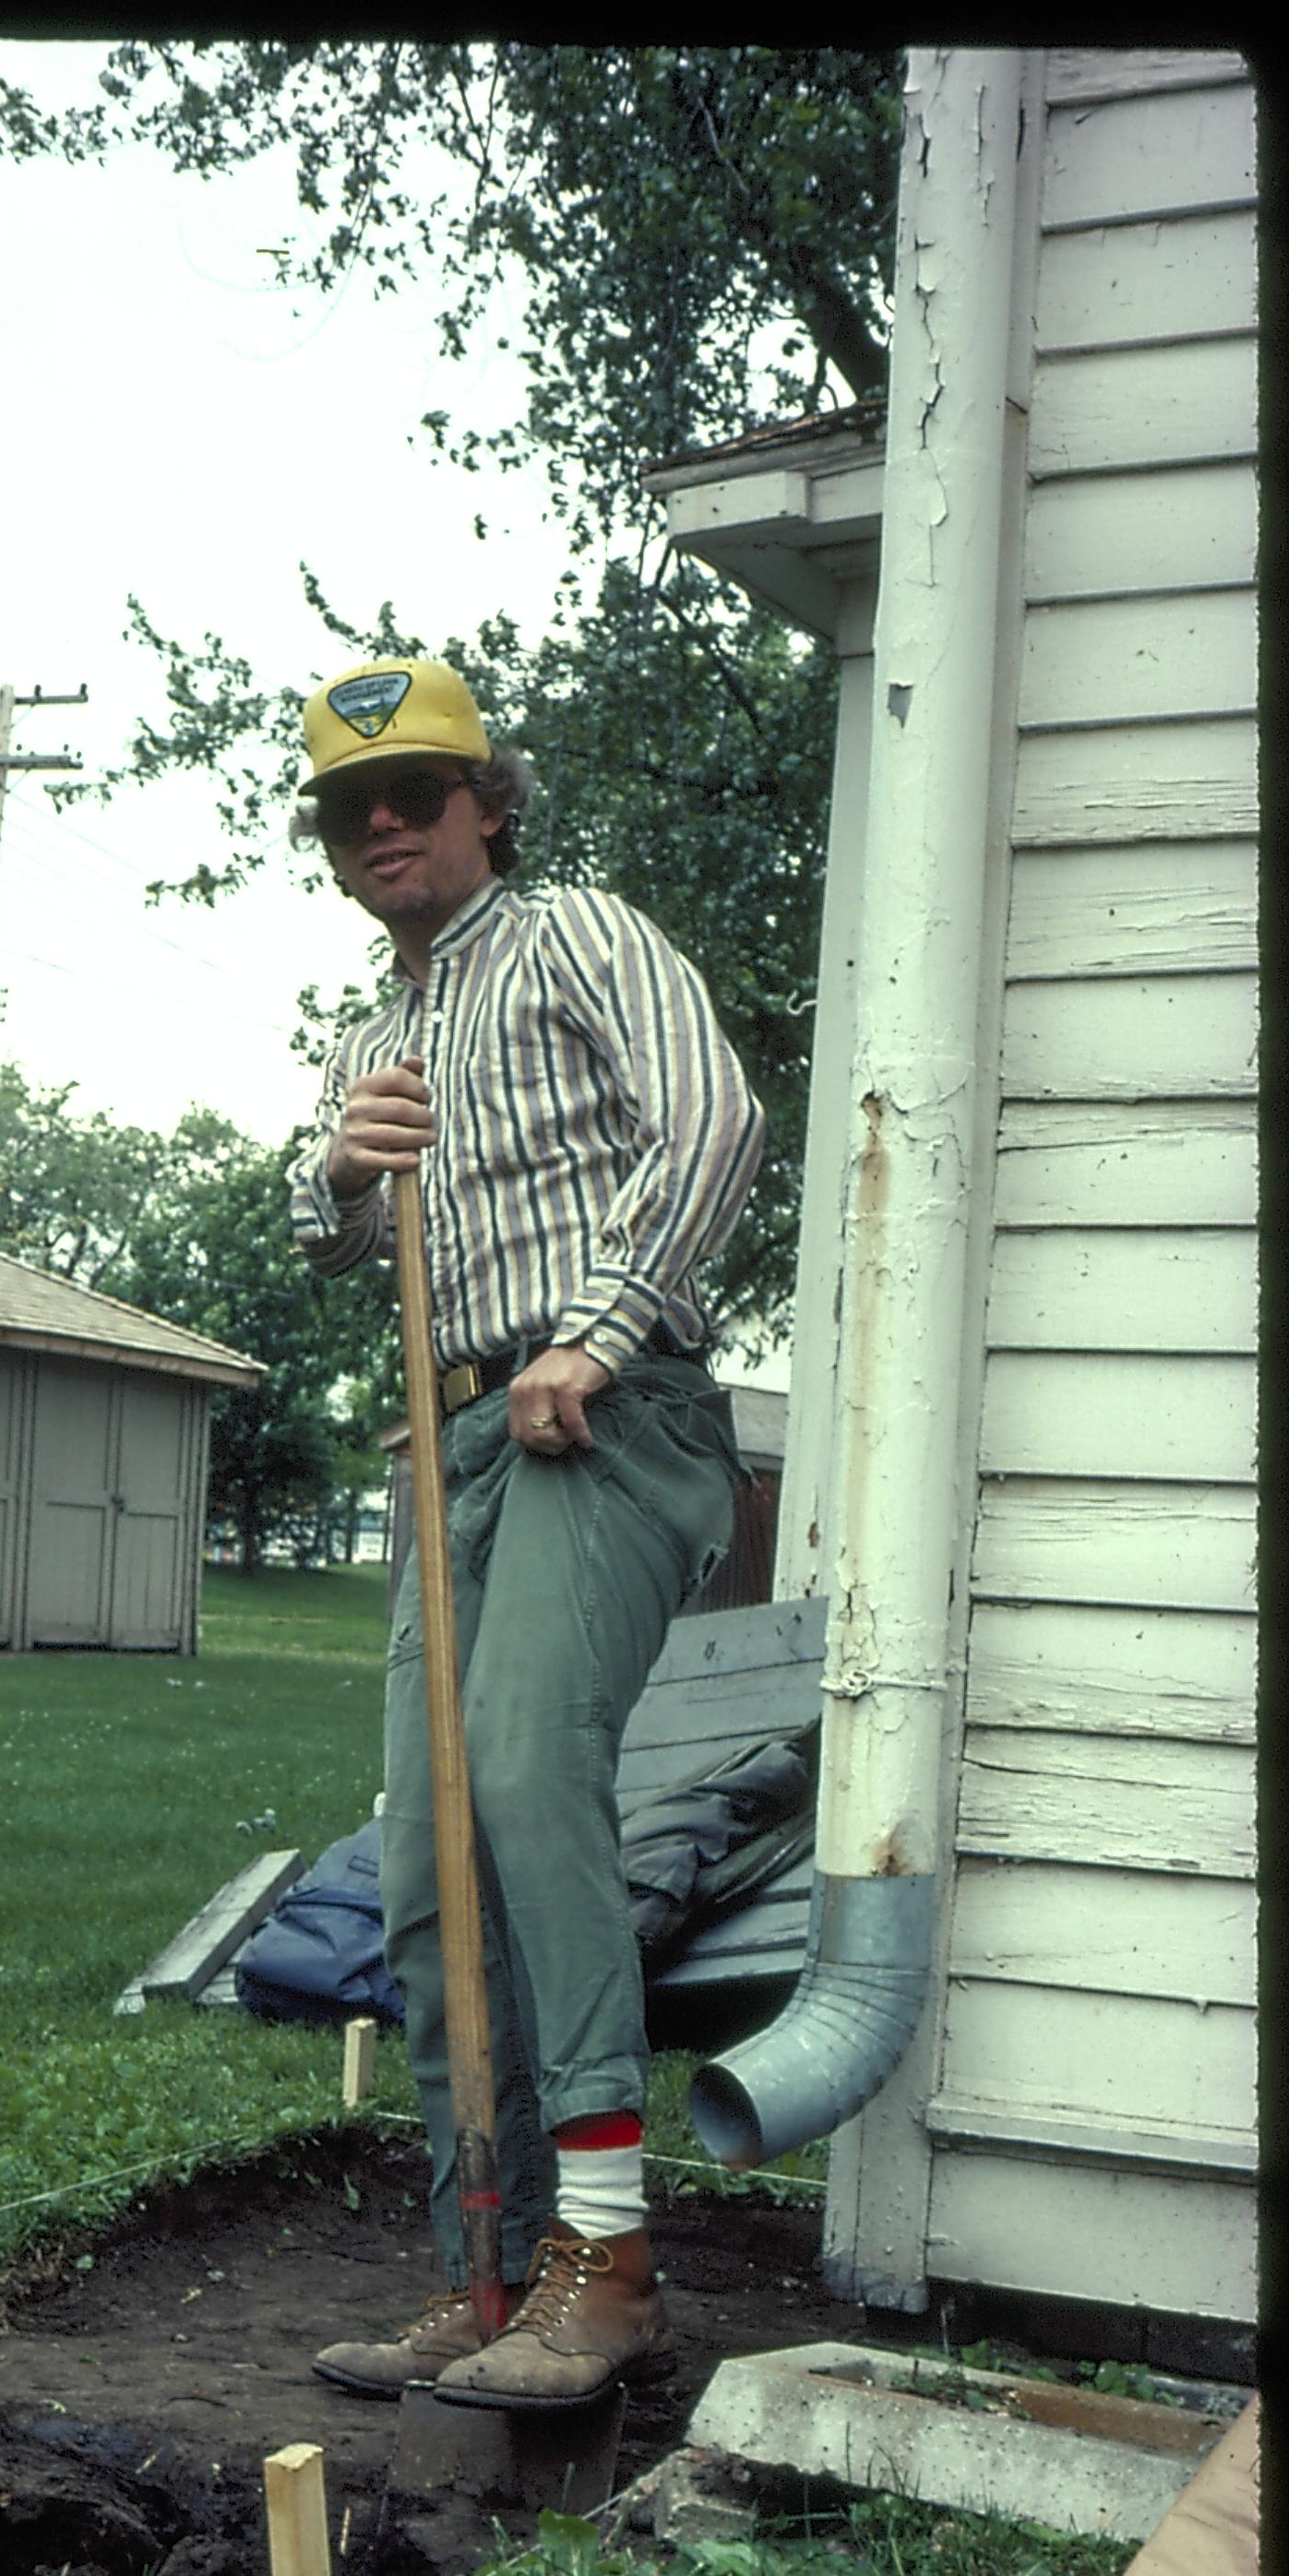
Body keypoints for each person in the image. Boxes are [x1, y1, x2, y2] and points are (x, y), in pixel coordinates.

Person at [285, 657, 765, 2411]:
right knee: (425, 1865)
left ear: (493, 798)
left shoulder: (579, 934)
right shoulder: (380, 1029)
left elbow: (714, 1117)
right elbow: (324, 1231)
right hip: (457, 1435)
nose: (385, 821)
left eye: (417, 789)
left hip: (606, 1414)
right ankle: (483, 2272)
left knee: (527, 1779)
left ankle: (611, 2260)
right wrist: (344, 1169)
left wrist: (600, 1327)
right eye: (351, 805)